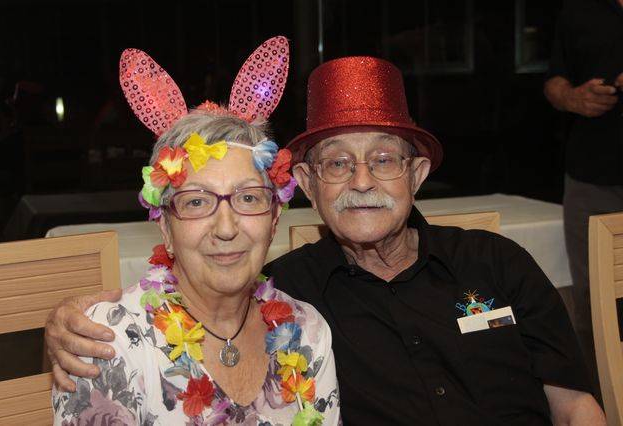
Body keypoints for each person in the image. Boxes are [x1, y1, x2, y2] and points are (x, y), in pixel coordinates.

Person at [48, 56, 604, 424]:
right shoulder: (296, 298)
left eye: (383, 159)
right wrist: (68, 322)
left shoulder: (496, 261)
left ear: (416, 175)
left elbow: (576, 406)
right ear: (308, 185)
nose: (361, 181)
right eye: (337, 163)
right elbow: (199, 285)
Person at [51, 38, 340, 425]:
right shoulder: (108, 342)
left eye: (248, 198)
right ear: (165, 227)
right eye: (197, 202)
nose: (226, 227)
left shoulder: (306, 332)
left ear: (274, 220)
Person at [543, 0, 623, 396]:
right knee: (595, 307)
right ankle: (603, 404)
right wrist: (572, 96)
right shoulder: (579, 11)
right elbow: (553, 81)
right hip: (592, 176)